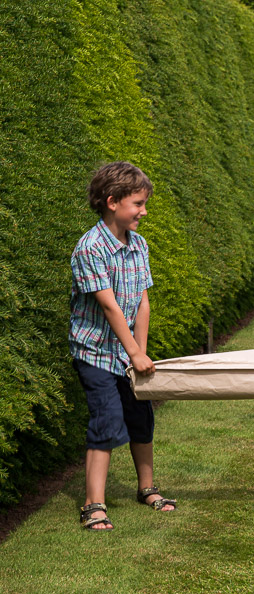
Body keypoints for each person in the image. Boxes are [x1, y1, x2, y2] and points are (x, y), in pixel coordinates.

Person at [70, 161, 176, 530]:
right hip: (95, 352)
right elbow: (110, 306)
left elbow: (141, 302)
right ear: (112, 202)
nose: (144, 211)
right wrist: (134, 353)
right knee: (107, 419)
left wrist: (140, 355)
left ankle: (146, 488)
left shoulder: (139, 244)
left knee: (140, 417)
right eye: (138, 204)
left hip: (129, 353)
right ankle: (92, 503)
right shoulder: (90, 248)